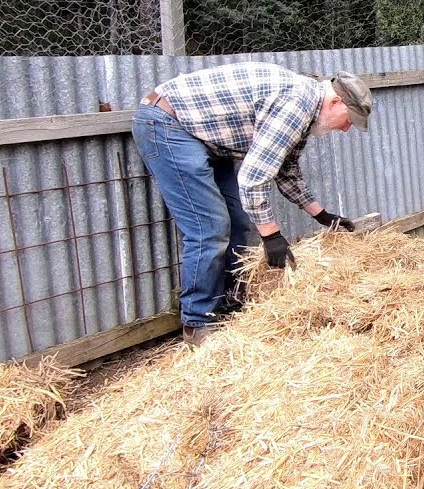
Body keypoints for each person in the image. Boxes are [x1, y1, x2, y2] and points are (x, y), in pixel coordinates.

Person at [132, 62, 372, 347]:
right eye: (349, 119)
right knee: (209, 227)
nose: (346, 130)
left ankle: (230, 303)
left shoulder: (305, 108)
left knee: (238, 220)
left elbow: (285, 171)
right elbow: (253, 180)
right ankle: (196, 324)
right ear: (335, 101)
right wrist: (271, 236)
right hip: (168, 124)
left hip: (203, 137)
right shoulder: (296, 104)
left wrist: (321, 215)